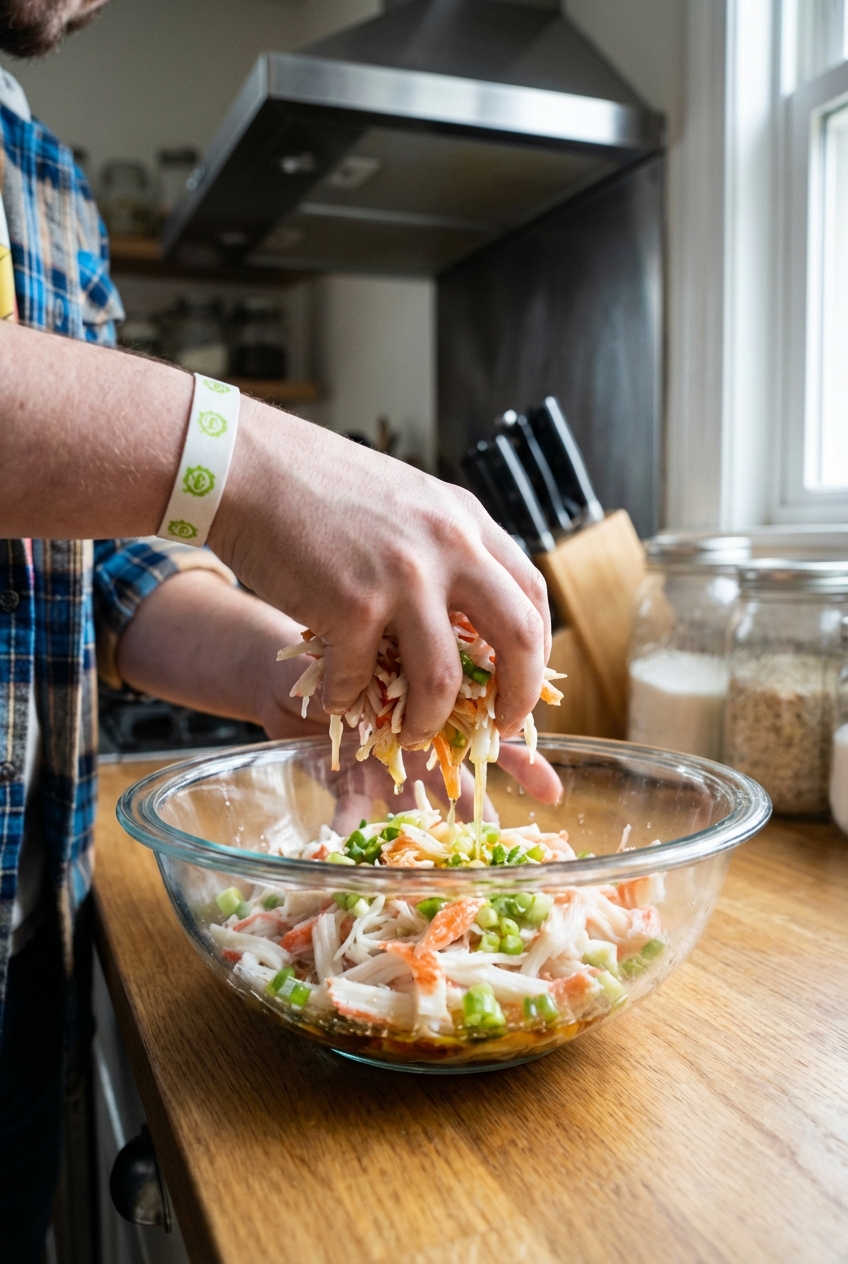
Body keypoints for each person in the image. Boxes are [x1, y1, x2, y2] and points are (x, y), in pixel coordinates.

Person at [0, 2, 555, 1259]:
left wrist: (292, 677)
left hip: (24, 955)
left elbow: (97, 567)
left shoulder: (44, 182)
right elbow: (196, 479)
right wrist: (248, 463)